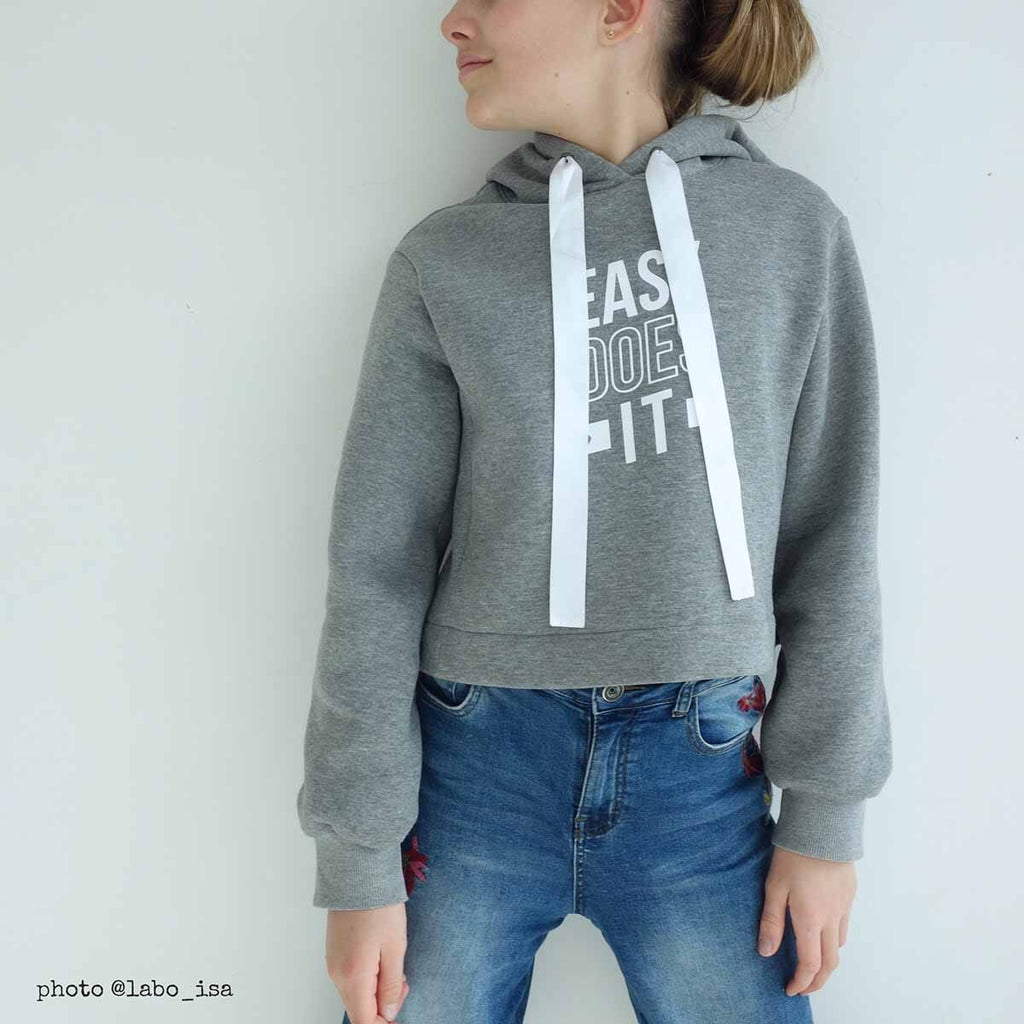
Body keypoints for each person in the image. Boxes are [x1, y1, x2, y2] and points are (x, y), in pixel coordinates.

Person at [296, 1, 893, 1021]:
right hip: (473, 766)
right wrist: (358, 858)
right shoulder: (448, 259)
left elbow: (831, 537)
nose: (454, 21)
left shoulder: (791, 233)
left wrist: (825, 818)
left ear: (620, 9)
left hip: (703, 777)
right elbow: (377, 566)